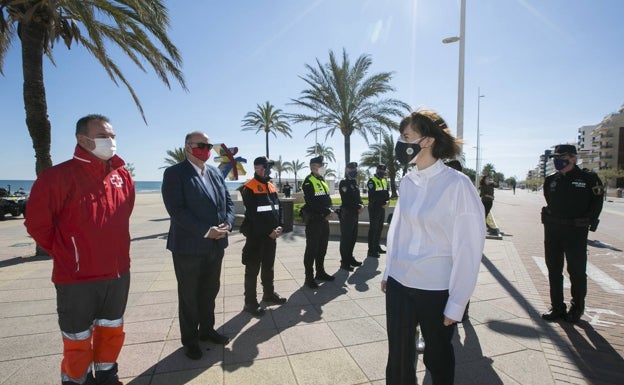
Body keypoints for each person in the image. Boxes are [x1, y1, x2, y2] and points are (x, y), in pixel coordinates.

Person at [25, 114, 135, 385]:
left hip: (118, 274)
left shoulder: (122, 176)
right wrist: (68, 253)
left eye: (112, 136)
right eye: (102, 137)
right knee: (77, 338)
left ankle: (107, 376)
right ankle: (77, 381)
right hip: (76, 279)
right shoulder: (57, 177)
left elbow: (124, 214)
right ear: (82, 139)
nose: (110, 141)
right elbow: (38, 224)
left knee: (111, 331)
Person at [382, 110, 485, 385]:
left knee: (438, 359)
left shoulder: (457, 185)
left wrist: (457, 303)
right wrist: (387, 272)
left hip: (436, 290)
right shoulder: (407, 181)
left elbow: (469, 247)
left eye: (406, 136)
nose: (400, 143)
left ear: (427, 141)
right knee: (399, 359)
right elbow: (398, 231)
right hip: (399, 285)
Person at [161, 131, 235, 360]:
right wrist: (206, 231)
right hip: (189, 248)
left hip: (216, 246)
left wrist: (228, 224)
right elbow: (177, 210)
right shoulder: (175, 173)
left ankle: (207, 330)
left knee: (209, 291)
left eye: (208, 145)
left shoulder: (213, 172)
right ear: (187, 146)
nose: (206, 149)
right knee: (189, 296)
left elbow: (228, 201)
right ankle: (190, 341)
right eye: (201, 145)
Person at [540, 144, 604, 323]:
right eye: (555, 158)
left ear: (574, 158)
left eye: (562, 157)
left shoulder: (588, 178)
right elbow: (549, 199)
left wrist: (590, 219)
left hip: (576, 232)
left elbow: (597, 201)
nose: (557, 161)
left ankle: (576, 308)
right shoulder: (551, 180)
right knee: (553, 269)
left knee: (576, 271)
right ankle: (557, 307)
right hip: (553, 231)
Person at [240, 156, 287, 316]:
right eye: (266, 166)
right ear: (258, 167)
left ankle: (268, 294)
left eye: (269, 167)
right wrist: (269, 231)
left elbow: (278, 208)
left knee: (269, 266)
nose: (269, 169)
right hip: (256, 236)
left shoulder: (271, 186)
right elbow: (253, 214)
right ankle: (250, 303)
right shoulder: (249, 187)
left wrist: (280, 226)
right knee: (252, 269)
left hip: (271, 236)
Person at [301, 155, 335, 288]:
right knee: (311, 250)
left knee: (322, 248)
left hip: (324, 220)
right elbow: (312, 202)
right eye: (319, 166)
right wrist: (325, 212)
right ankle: (309, 278)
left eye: (321, 166)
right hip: (314, 220)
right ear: (313, 166)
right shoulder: (308, 181)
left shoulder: (322, 180)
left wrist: (330, 210)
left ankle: (320, 272)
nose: (321, 168)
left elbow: (327, 199)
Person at [338, 162, 365, 271]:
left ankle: (350, 258)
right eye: (351, 169)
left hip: (354, 214)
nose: (354, 171)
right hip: (347, 214)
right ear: (346, 170)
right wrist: (358, 206)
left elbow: (358, 198)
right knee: (346, 239)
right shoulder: (343, 183)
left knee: (353, 238)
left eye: (355, 169)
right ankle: (344, 262)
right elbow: (347, 199)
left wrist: (362, 205)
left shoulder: (354, 183)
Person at [367, 164, 390, 258]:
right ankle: (371, 250)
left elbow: (386, 193)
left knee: (379, 228)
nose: (382, 172)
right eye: (380, 170)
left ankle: (377, 247)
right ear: (376, 170)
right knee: (373, 229)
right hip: (374, 208)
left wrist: (387, 201)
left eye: (383, 171)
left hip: (382, 208)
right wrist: (382, 203)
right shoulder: (371, 181)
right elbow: (372, 197)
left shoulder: (384, 181)